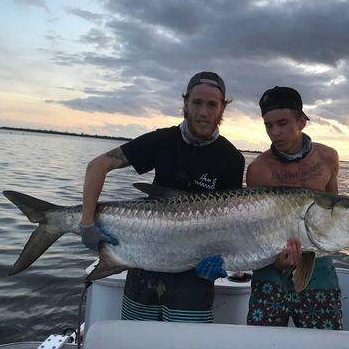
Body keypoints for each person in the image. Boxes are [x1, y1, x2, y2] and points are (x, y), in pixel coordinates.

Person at [79, 71, 245, 323]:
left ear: (222, 110)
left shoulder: (232, 159)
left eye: (212, 104)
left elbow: (231, 222)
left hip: (195, 276)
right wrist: (87, 222)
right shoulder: (162, 140)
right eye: (197, 102)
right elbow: (97, 165)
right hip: (146, 261)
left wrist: (221, 259)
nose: (203, 111)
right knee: (137, 340)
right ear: (185, 105)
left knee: (185, 343)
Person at [246, 86, 349, 329]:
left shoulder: (327, 157)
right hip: (269, 272)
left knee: (326, 342)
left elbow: (333, 211)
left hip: (319, 271)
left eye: (282, 123)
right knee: (261, 343)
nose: (275, 132)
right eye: (268, 125)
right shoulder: (258, 169)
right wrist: (277, 262)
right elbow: (254, 227)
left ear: (302, 121)